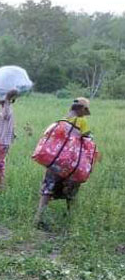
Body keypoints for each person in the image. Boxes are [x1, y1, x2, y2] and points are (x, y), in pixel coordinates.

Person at [35, 98, 92, 229]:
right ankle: (71, 218)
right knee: (72, 189)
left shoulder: (61, 121)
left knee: (47, 189)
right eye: (84, 111)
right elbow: (88, 139)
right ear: (81, 109)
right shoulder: (82, 121)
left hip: (55, 161)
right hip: (70, 164)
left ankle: (38, 218)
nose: (84, 114)